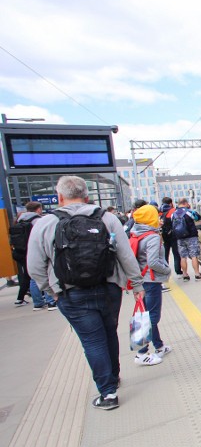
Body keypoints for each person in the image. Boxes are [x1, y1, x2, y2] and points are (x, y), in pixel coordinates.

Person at [27, 176, 144, 411]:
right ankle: (113, 377)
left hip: (71, 293)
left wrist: (52, 292)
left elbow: (34, 266)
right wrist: (137, 284)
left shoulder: (45, 223)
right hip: (109, 287)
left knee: (92, 340)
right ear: (87, 195)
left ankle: (108, 392)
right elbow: (125, 256)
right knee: (109, 332)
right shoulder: (107, 218)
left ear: (60, 197)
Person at [129, 205, 173, 366]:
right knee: (151, 317)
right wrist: (167, 269)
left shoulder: (136, 233)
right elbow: (153, 261)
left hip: (141, 279)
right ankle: (141, 353)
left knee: (143, 315)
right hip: (151, 281)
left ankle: (159, 346)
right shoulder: (152, 237)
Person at [10, 202, 57, 311]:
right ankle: (51, 301)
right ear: (39, 209)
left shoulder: (19, 220)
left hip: (21, 252)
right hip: (35, 250)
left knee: (32, 276)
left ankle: (38, 303)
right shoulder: (37, 221)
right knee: (45, 274)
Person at [172, 198, 201, 281]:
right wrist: (189, 208)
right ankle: (197, 274)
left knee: (183, 257)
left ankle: (185, 275)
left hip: (179, 238)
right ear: (186, 203)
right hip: (191, 237)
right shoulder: (189, 212)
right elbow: (198, 217)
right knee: (194, 256)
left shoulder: (173, 214)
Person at [159, 197, 182, 276]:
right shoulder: (173, 210)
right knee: (176, 253)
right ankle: (178, 271)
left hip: (164, 235)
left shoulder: (160, 212)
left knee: (165, 254)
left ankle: (165, 271)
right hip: (173, 235)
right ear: (170, 203)